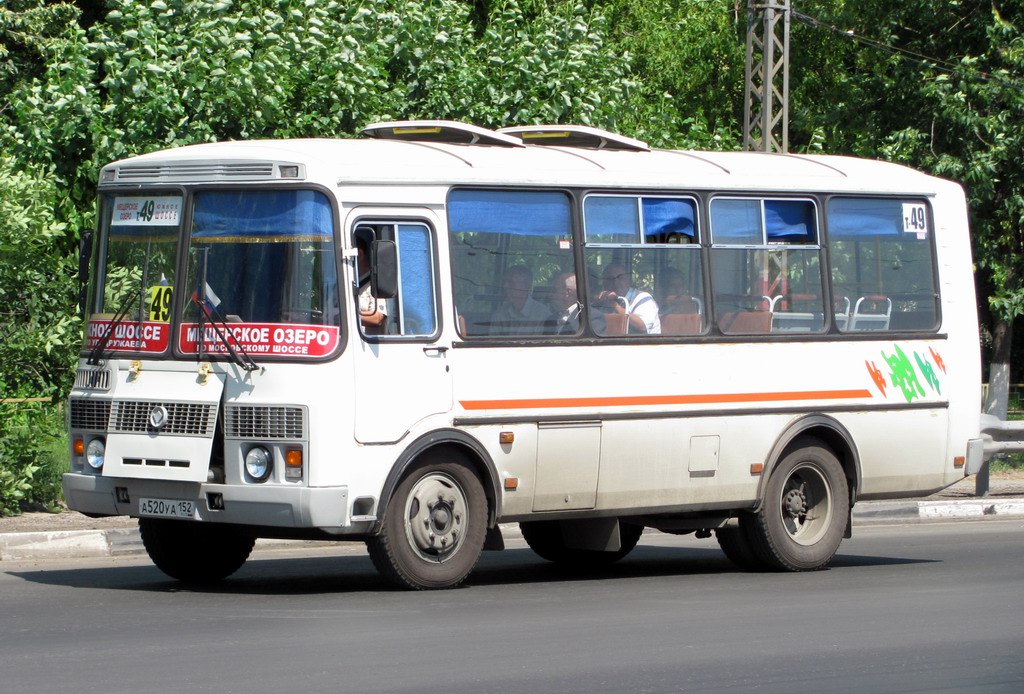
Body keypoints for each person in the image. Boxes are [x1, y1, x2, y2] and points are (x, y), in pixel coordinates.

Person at [593, 262, 660, 334]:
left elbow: (642, 327)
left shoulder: (643, 298)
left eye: (620, 278)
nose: (615, 282)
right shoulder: (603, 300)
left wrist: (615, 305)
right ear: (604, 282)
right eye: (610, 279)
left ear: (628, 279)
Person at [489, 264, 551, 335]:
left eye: (511, 282)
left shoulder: (542, 314)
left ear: (526, 285)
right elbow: (493, 344)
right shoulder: (499, 314)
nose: (505, 286)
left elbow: (542, 344)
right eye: (504, 282)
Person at [356, 243, 388, 333]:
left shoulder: (376, 284)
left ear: (359, 254)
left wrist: (346, 317)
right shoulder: (337, 286)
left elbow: (377, 318)